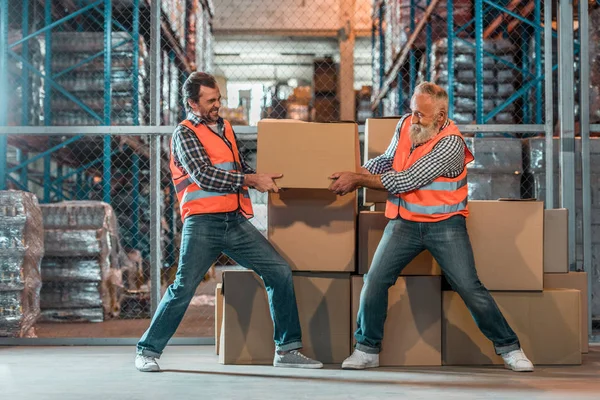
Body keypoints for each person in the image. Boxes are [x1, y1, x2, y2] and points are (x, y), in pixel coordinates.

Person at [328, 82, 534, 373]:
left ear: (440, 117)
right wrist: (358, 171)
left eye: (421, 115)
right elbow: (389, 160)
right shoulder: (405, 124)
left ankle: (510, 348)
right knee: (374, 280)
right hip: (405, 223)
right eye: (412, 112)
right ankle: (366, 350)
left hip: (444, 226)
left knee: (468, 287)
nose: (414, 119)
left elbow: (406, 180)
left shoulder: (450, 143)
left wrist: (357, 181)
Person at [135, 72, 323, 372]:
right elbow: (205, 175)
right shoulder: (184, 134)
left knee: (278, 271)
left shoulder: (224, 128)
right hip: (203, 225)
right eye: (210, 101)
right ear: (192, 103)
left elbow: (239, 167)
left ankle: (287, 349)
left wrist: (268, 178)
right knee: (183, 287)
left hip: (233, 221)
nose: (217, 105)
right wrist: (251, 179)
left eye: (218, 99)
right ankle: (147, 350)